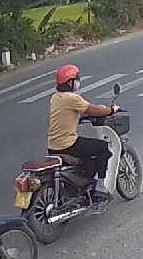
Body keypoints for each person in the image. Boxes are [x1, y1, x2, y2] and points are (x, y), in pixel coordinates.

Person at [48, 63, 118, 202]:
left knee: (87, 158)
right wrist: (110, 110)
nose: (78, 82)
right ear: (70, 82)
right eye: (76, 79)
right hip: (68, 144)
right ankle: (100, 187)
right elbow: (92, 109)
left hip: (53, 146)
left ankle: (83, 188)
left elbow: (67, 113)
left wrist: (80, 116)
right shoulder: (72, 98)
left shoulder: (55, 97)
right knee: (102, 147)